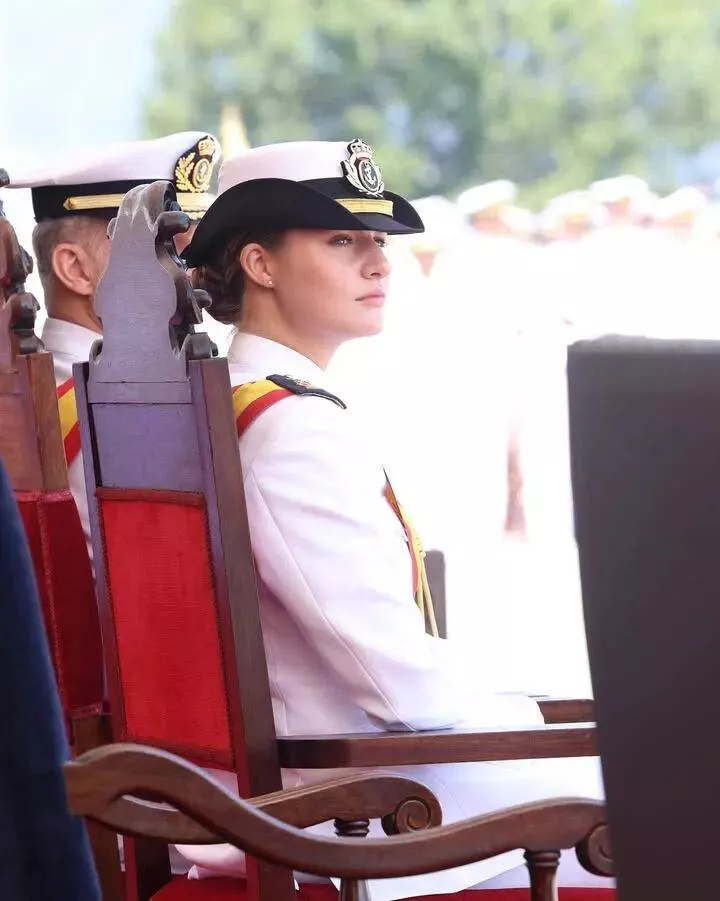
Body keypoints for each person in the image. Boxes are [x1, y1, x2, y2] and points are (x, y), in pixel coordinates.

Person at [177, 139, 610, 899]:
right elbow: (403, 689)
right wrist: (532, 711)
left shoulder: (246, 400)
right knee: (677, 792)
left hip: (327, 785)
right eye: (342, 241)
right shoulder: (293, 427)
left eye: (378, 241)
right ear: (260, 264)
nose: (379, 264)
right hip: (352, 808)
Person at [4, 132, 221, 554]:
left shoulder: (41, 390)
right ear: (75, 268)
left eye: (186, 256)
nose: (188, 274)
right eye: (163, 250)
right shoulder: (117, 405)